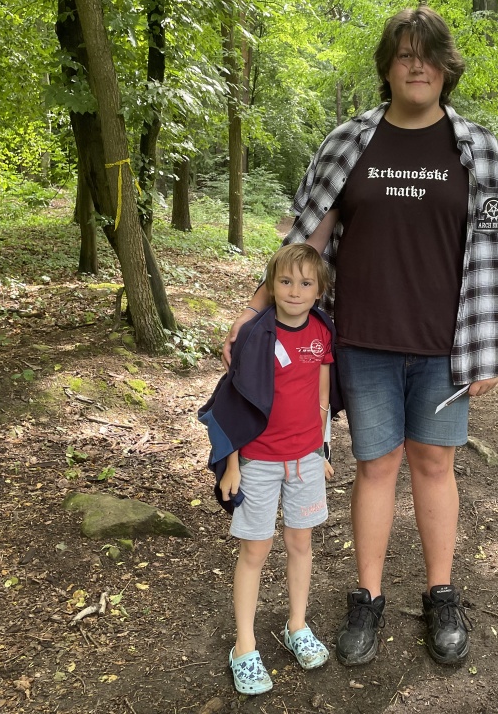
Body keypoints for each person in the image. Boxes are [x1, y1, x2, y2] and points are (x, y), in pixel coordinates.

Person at [224, 5, 498, 667]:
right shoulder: (349, 143)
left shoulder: (478, 150)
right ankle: (368, 597)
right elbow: (305, 243)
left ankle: (441, 595)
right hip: (363, 342)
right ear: (387, 68)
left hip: (446, 347)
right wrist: (255, 308)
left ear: (446, 68)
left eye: (428, 55)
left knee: (435, 465)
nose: (417, 66)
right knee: (376, 466)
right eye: (403, 55)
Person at [199, 243, 341, 695]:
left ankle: (297, 625)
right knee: (254, 552)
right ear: (271, 285)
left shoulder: (322, 331)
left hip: (305, 461)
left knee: (301, 544)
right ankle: (244, 646)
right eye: (285, 281)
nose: (295, 291)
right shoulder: (255, 334)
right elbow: (235, 402)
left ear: (319, 290)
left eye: (305, 283)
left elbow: (323, 397)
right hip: (258, 461)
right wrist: (232, 464)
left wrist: (322, 450)